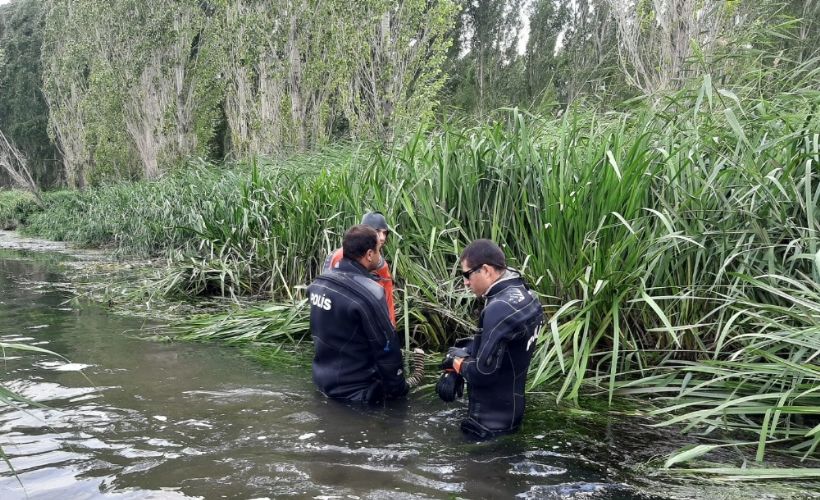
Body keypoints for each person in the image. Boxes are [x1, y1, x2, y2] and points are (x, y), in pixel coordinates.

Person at [436, 239, 544, 439]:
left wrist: (454, 362)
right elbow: (502, 347)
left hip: (486, 424)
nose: (466, 282)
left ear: (485, 270)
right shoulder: (525, 293)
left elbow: (482, 373)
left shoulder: (498, 307)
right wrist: (461, 355)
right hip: (510, 412)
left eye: (467, 274)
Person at [309, 224, 422, 404]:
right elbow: (386, 348)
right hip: (357, 394)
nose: (380, 254)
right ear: (369, 254)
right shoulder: (370, 293)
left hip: (322, 384)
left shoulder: (318, 284)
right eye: (378, 250)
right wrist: (399, 388)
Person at [323, 212, 396, 327]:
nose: (382, 238)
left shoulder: (381, 265)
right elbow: (327, 291)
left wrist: (391, 329)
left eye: (385, 233)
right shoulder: (338, 256)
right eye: (377, 232)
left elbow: (388, 300)